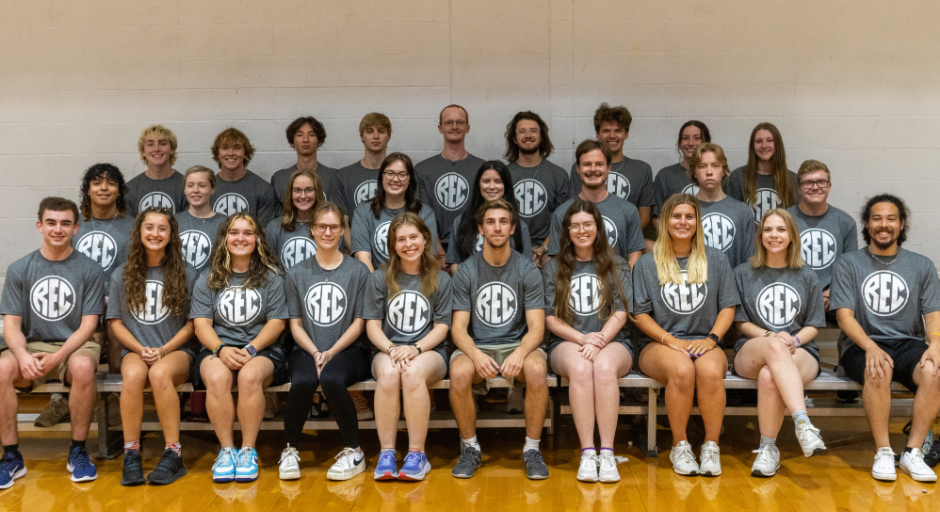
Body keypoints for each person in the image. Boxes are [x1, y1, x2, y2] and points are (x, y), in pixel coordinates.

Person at [831, 194, 940, 482]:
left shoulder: (922, 265)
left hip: (908, 343)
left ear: (902, 224)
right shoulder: (848, 263)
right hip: (860, 343)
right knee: (878, 369)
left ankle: (913, 453)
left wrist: (937, 344)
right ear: (867, 224)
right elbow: (844, 316)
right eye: (877, 218)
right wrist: (870, 347)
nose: (884, 224)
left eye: (891, 218)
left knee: (934, 370)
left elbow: (932, 314)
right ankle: (883, 451)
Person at [0, 197, 105, 488]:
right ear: (39, 225)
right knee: (1, 369)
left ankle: (78, 451)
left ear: (76, 228)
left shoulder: (90, 269)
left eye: (65, 223)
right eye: (51, 222)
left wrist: (60, 356)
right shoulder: (21, 268)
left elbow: (89, 325)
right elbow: (11, 324)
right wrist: (21, 355)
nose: (57, 229)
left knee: (83, 367)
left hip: (75, 346)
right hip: (32, 344)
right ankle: (11, 457)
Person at [632, 194, 738, 477]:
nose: (683, 222)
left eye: (689, 216)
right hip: (659, 343)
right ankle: (680, 445)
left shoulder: (715, 259)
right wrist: (671, 341)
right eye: (676, 216)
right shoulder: (647, 263)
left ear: (697, 222)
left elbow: (728, 307)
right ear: (665, 222)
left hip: (705, 338)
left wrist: (711, 339)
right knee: (681, 370)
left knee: (711, 372)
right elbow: (639, 314)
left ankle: (710, 446)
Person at [449, 198, 549, 480]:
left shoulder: (527, 269)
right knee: (458, 373)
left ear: (513, 228)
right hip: (478, 346)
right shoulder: (467, 271)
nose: (497, 227)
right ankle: (470, 449)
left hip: (518, 344)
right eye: (490, 222)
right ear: (480, 228)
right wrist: (477, 355)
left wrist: (520, 353)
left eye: (503, 222)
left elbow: (537, 328)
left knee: (537, 368)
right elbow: (458, 329)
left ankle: (532, 449)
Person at [191, 213, 288, 483]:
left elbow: (277, 323)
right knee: (216, 376)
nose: (241, 238)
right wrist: (221, 349)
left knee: (249, 376)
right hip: (217, 347)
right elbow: (201, 325)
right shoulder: (208, 279)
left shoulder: (272, 278)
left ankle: (247, 450)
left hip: (262, 348)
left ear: (257, 240)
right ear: (225, 239)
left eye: (248, 233)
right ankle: (226, 451)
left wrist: (251, 349)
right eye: (234, 232)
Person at [279, 202, 372, 481]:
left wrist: (331, 351)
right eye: (322, 226)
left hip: (349, 350)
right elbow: (294, 324)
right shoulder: (296, 273)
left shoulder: (358, 272)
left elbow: (359, 323)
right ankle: (290, 449)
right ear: (312, 230)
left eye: (334, 227)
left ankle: (354, 451)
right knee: (305, 380)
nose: (328, 232)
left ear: (343, 231)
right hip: (307, 347)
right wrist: (315, 351)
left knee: (331, 378)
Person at [732, 209, 827, 478]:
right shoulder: (743, 272)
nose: (774, 235)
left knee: (769, 376)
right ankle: (803, 422)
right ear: (760, 235)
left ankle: (768, 449)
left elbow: (814, 324)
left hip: (800, 350)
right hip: (752, 347)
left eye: (781, 229)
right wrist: (771, 336)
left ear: (792, 236)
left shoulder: (807, 275)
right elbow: (740, 323)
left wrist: (794, 339)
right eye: (768, 229)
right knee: (774, 347)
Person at [544, 200, 632, 483]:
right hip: (567, 341)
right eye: (575, 225)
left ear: (598, 228)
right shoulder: (554, 267)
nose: (582, 230)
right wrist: (584, 338)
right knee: (581, 368)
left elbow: (621, 311)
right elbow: (550, 318)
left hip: (613, 340)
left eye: (588, 224)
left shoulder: (616, 263)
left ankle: (607, 452)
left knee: (604, 368)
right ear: (567, 229)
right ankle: (587, 453)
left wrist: (600, 340)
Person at [109, 207, 198, 486]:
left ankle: (173, 453)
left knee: (159, 373)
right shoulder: (121, 274)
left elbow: (192, 324)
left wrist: (162, 350)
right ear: (139, 232)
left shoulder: (187, 273)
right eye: (149, 227)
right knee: (134, 376)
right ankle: (131, 452)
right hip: (136, 350)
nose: (155, 233)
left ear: (172, 235)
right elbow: (116, 322)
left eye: (162, 228)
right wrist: (140, 348)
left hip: (176, 351)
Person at [366, 213, 451, 481]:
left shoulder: (441, 279)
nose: (408, 244)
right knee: (390, 373)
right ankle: (387, 452)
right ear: (393, 245)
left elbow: (442, 327)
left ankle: (417, 454)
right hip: (387, 348)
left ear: (425, 239)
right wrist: (392, 349)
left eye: (413, 237)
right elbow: (372, 326)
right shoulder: (380, 278)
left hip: (428, 351)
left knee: (413, 372)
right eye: (401, 239)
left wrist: (415, 348)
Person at [546, 140, 644, 268]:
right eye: (587, 164)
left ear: (608, 167)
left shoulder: (628, 211)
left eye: (599, 164)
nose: (593, 169)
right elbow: (557, 265)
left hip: (618, 285)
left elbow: (634, 259)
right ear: (578, 168)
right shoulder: (561, 213)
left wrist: (625, 287)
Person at [786, 159, 858, 322]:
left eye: (821, 182)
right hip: (793, 295)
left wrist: (831, 293)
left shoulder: (845, 222)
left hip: (833, 298)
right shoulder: (783, 219)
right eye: (808, 183)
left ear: (829, 186)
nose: (815, 187)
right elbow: (776, 264)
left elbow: (851, 269)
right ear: (799, 188)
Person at [416, 105, 486, 269]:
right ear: (440, 128)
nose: (454, 126)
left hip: (473, 247)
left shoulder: (482, 168)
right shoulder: (422, 169)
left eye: (459, 122)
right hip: (433, 249)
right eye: (449, 123)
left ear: (467, 128)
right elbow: (423, 215)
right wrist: (439, 252)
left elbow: (485, 211)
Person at [568, 104, 654, 231]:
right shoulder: (583, 169)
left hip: (628, 240)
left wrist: (625, 240)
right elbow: (575, 208)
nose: (612, 136)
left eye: (618, 130)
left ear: (626, 134)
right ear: (597, 134)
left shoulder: (642, 169)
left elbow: (644, 216)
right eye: (606, 131)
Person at [351, 153, 438, 272]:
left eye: (402, 174)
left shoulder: (425, 213)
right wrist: (376, 286)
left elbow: (428, 257)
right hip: (376, 283)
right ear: (382, 176)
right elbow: (363, 258)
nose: (395, 179)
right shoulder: (364, 211)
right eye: (390, 173)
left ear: (410, 180)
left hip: (415, 283)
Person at [504, 111, 570, 266]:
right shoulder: (503, 175)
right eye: (522, 131)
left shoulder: (558, 174)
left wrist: (542, 249)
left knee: (555, 270)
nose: (528, 135)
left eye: (533, 131)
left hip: (550, 249)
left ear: (542, 137)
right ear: (514, 138)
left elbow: (563, 219)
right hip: (512, 248)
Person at [446, 161, 532, 273]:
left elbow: (527, 267)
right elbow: (455, 264)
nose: (492, 187)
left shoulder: (519, 225)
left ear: (505, 185)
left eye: (498, 181)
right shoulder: (461, 221)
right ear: (479, 185)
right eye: (486, 181)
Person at [690, 143, 756, 269]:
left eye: (715, 165)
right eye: (703, 166)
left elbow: (749, 262)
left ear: (723, 170)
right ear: (694, 172)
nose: (709, 172)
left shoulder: (742, 211)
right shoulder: (685, 211)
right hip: (694, 285)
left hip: (733, 285)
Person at [726, 122, 799, 223]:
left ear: (777, 144)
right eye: (759, 141)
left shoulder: (792, 179)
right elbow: (733, 218)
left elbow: (796, 220)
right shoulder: (738, 177)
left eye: (769, 140)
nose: (764, 145)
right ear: (753, 146)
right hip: (748, 238)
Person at [208, 128, 279, 226]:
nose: (231, 153)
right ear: (217, 154)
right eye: (225, 148)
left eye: (237, 148)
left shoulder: (263, 189)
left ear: (245, 153)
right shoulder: (206, 188)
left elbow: (263, 234)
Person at [266, 169, 331, 271]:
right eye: (297, 190)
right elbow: (270, 269)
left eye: (309, 190)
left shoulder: (329, 228)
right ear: (290, 194)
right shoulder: (275, 227)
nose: (303, 196)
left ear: (317, 193)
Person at [271, 116, 337, 211]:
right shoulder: (279, 178)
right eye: (300, 135)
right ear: (291, 142)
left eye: (311, 134)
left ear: (320, 141)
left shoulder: (335, 177)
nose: (305, 139)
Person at [334, 113, 392, 221]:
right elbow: (343, 224)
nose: (375, 136)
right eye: (370, 131)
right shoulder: (343, 176)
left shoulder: (402, 176)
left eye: (381, 131)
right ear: (362, 136)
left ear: (388, 136)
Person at [653, 121, 710, 224]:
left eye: (697, 138)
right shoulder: (665, 176)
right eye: (685, 138)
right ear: (679, 143)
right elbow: (658, 218)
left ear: (706, 143)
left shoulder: (715, 176)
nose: (690, 143)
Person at [125, 125, 188, 217]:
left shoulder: (187, 187)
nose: (156, 149)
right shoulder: (130, 189)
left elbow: (189, 225)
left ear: (172, 149)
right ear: (143, 151)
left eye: (163, 143)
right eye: (150, 144)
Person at [177, 166, 226, 273]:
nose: (195, 190)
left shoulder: (224, 223)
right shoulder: (173, 221)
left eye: (202, 185)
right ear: (185, 190)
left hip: (209, 286)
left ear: (212, 189)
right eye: (190, 186)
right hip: (177, 286)